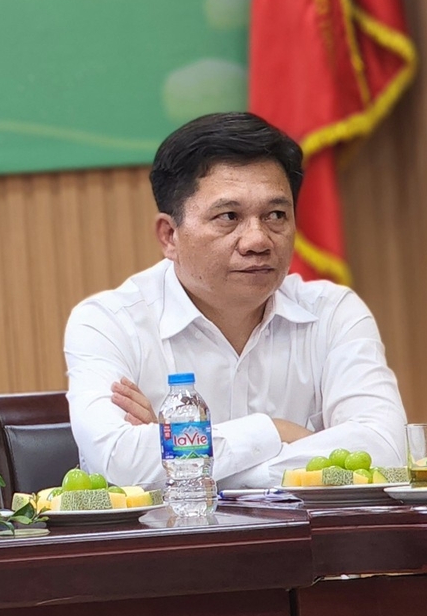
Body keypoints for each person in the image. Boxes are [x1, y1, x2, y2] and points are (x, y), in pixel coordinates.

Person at [63, 112, 407, 489]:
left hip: (305, 545)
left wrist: (187, 464)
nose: (258, 241)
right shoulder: (108, 322)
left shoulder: (333, 312)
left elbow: (386, 449)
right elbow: (121, 462)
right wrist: (274, 431)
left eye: (276, 215)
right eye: (229, 216)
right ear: (169, 236)